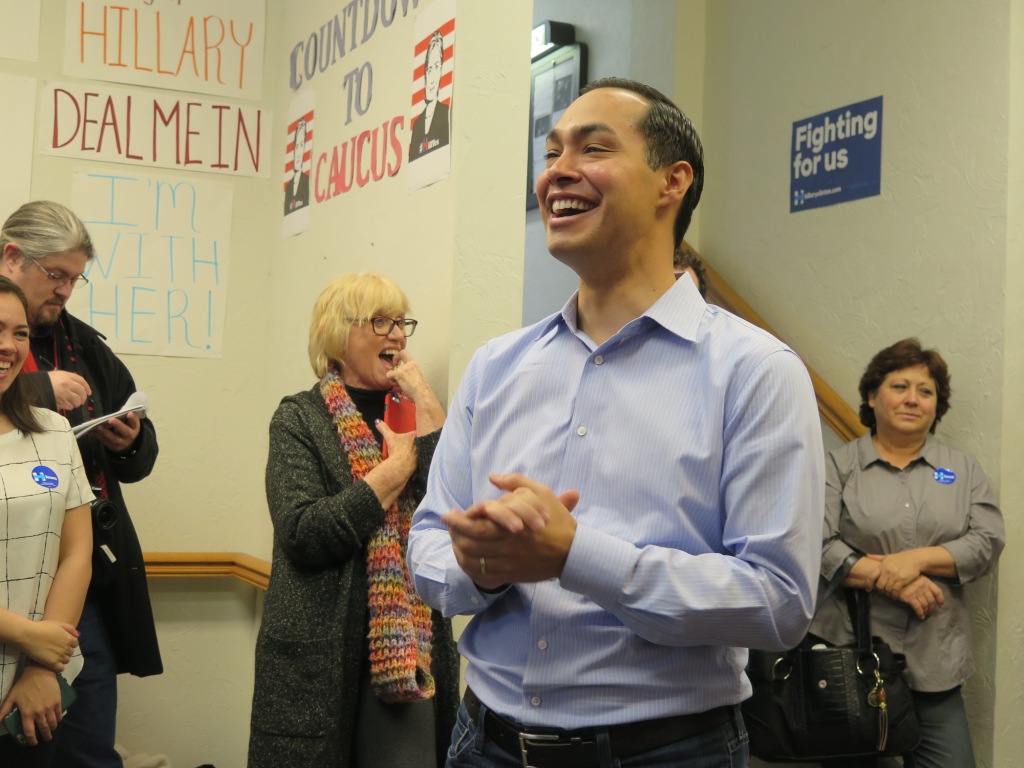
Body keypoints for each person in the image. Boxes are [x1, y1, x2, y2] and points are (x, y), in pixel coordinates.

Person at [408, 77, 824, 768]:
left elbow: (778, 603)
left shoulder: (755, 370)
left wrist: (578, 557)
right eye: (551, 153)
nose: (558, 172)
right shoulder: (496, 365)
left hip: (668, 753)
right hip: (483, 744)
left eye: (593, 148)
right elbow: (427, 540)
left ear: (673, 182)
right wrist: (479, 567)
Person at [248, 272, 459, 767]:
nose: (397, 336)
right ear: (338, 337)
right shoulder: (298, 418)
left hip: (407, 646)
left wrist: (423, 397)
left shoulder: (416, 414)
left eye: (401, 323)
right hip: (319, 656)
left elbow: (455, 501)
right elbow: (303, 534)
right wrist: (393, 473)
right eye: (380, 322)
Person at [0, 201, 162, 768]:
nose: (66, 290)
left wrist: (131, 440)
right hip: (7, 583)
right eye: (56, 275)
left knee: (87, 746)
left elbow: (143, 456)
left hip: (81, 580)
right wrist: (38, 388)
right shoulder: (17, 364)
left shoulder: (87, 345)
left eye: (76, 277)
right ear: (12, 256)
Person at [809, 338, 1004, 768]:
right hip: (850, 657)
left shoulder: (964, 468)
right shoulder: (836, 467)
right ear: (871, 396)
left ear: (938, 405)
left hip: (937, 657)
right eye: (900, 387)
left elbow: (987, 541)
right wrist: (894, 581)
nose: (913, 399)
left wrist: (912, 561)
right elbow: (816, 545)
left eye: (926, 391)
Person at [0, 276, 93, 767]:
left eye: (19, 334)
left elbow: (76, 553)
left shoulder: (53, 430)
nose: (7, 347)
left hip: (35, 693)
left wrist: (40, 664)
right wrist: (27, 634)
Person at [408, 30, 451, 161]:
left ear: (442, 71)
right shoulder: (417, 125)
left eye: (436, 67)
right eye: (429, 69)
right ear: (425, 73)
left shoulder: (445, 114)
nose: (432, 78)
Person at [284, 118, 311, 215]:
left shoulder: (308, 182)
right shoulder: (288, 188)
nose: (298, 153)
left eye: (301, 145)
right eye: (296, 146)